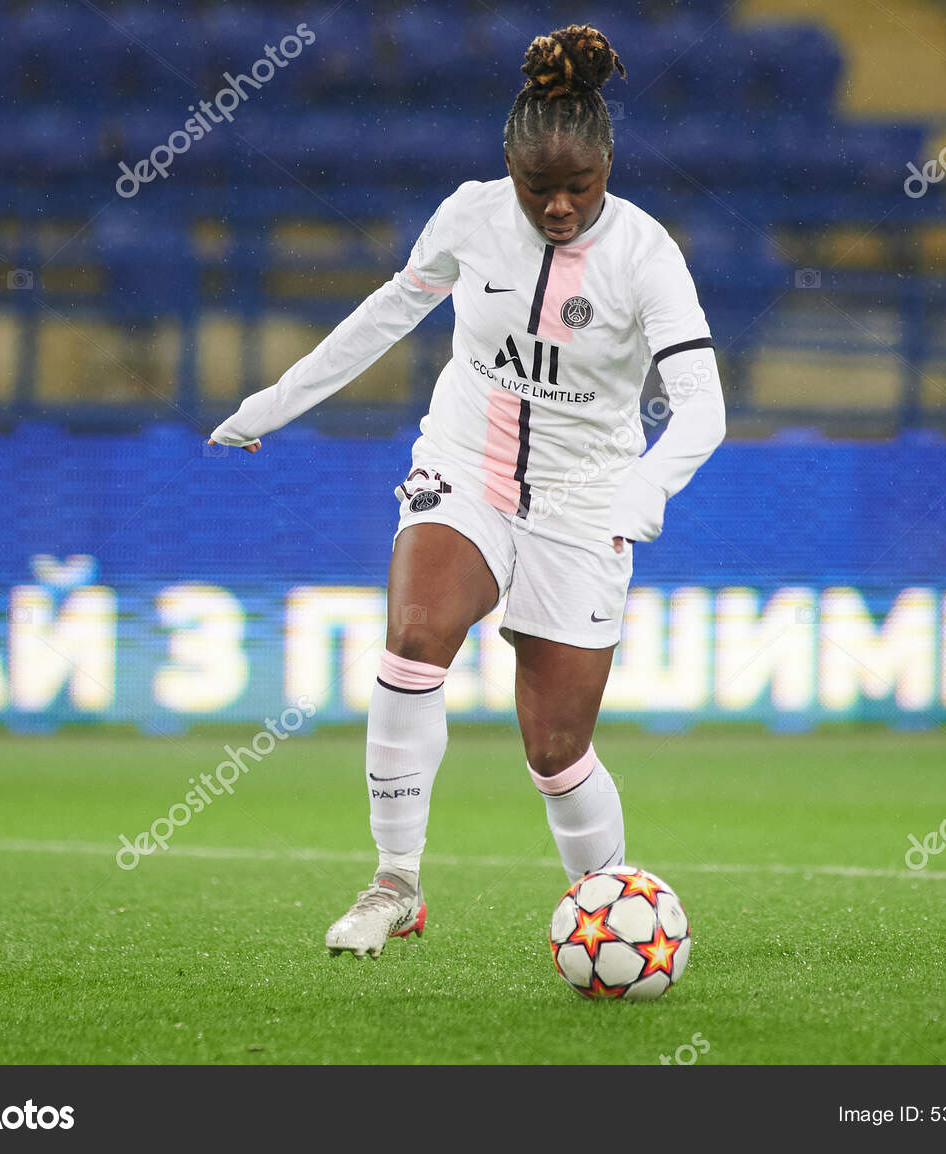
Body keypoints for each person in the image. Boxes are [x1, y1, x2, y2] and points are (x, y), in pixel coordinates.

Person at [209, 24, 725, 958]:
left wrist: (645, 492)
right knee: (415, 638)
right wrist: (273, 404)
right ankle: (395, 882)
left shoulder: (646, 256)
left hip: (585, 497)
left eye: (581, 188)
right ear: (509, 172)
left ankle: (612, 916)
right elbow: (386, 314)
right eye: (540, 189)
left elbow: (702, 409)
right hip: (466, 465)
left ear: (608, 168)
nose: (560, 207)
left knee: (555, 748)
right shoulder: (470, 215)